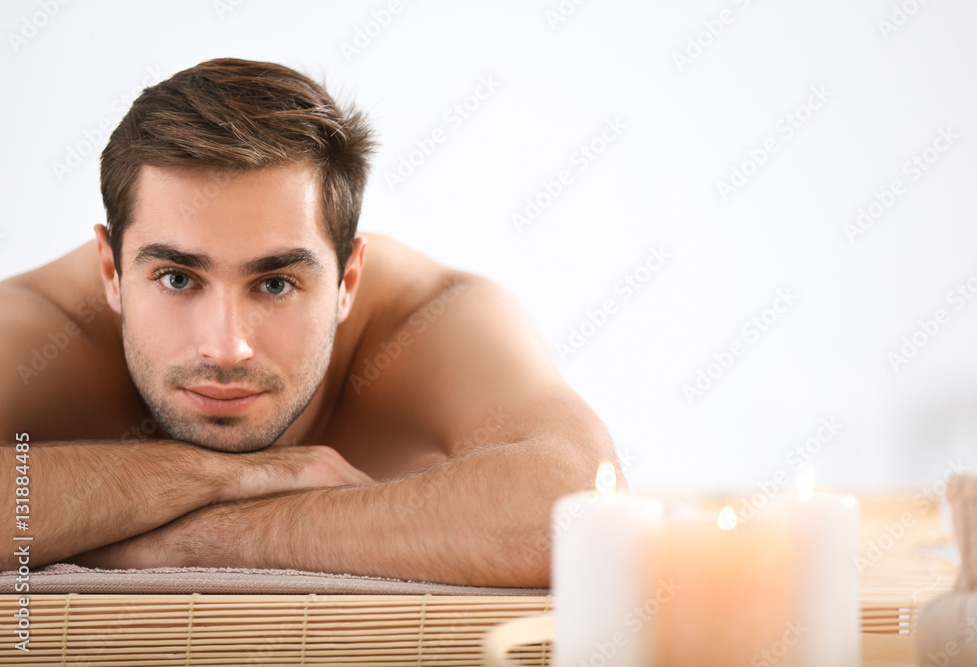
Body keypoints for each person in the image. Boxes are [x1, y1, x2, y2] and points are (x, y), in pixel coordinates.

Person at [0, 58, 623, 587]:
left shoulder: (425, 319)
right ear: (109, 270)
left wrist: (191, 543)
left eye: (274, 283)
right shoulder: (41, 327)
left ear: (348, 279)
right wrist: (246, 475)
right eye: (177, 278)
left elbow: (586, 513)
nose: (227, 347)